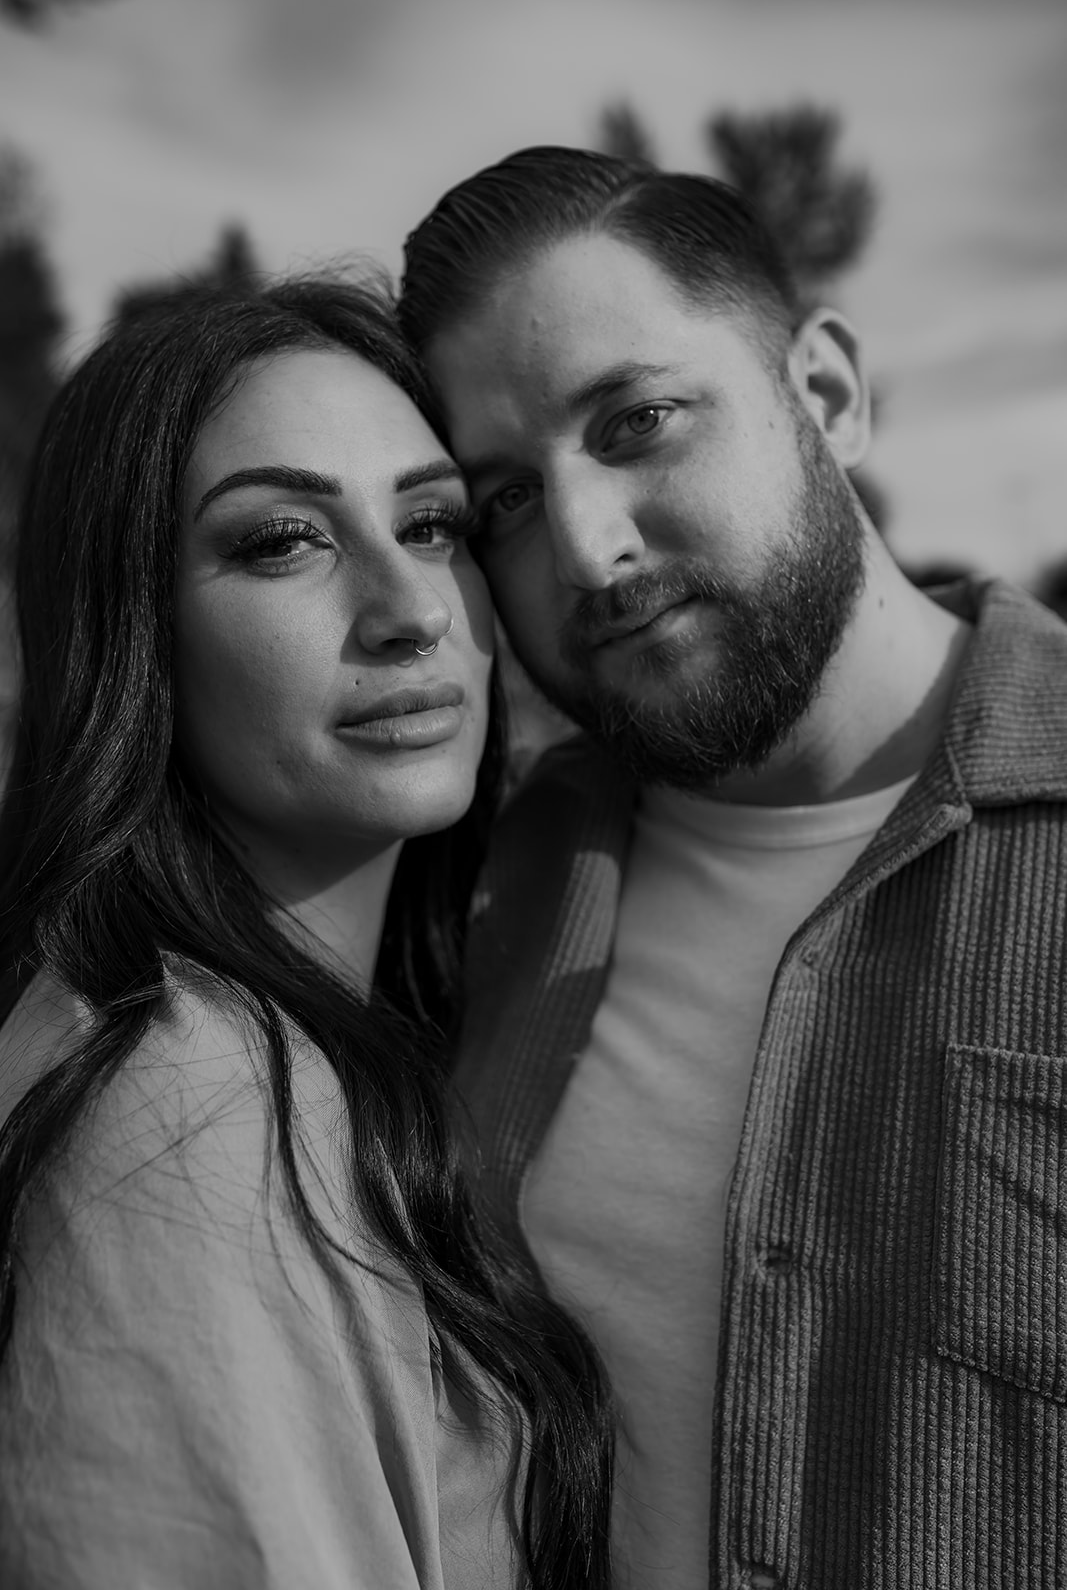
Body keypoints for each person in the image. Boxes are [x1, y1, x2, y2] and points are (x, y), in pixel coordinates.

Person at [399, 146, 1067, 1589]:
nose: (586, 549)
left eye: (637, 421)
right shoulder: (483, 886)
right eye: (505, 499)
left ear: (824, 392)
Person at [0, 276, 614, 1589]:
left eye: (435, 525)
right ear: (138, 631)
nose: (411, 610)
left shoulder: (297, 1052)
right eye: (283, 540)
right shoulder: (185, 1110)